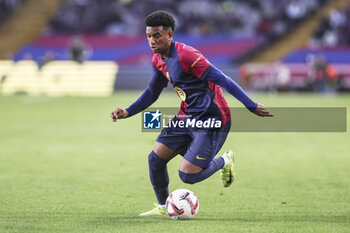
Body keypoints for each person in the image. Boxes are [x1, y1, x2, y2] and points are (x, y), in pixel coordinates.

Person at [110, 11, 273, 216]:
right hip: (186, 117)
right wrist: (127, 111)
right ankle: (163, 207)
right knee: (155, 159)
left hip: (212, 119)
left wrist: (250, 105)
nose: (152, 40)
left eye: (157, 35)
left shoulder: (188, 56)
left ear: (170, 35)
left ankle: (225, 161)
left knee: (187, 175)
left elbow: (223, 79)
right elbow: (152, 92)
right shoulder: (158, 60)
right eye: (149, 36)